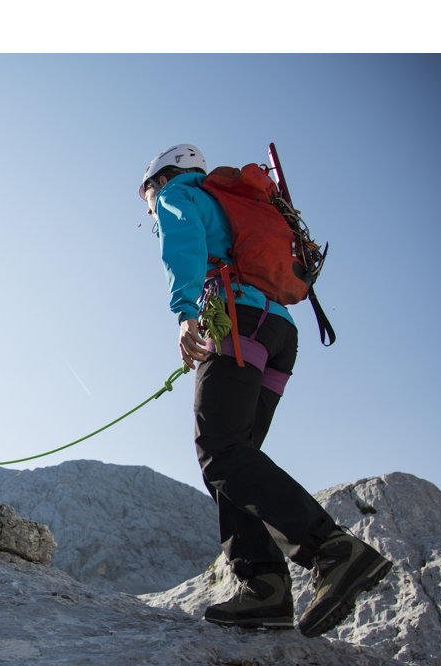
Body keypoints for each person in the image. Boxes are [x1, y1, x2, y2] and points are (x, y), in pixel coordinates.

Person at [139, 144, 391, 637]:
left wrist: (185, 312)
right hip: (278, 332)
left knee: (220, 451)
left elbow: (182, 243)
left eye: (144, 193)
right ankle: (264, 589)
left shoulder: (177, 195)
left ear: (159, 178)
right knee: (236, 458)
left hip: (236, 320)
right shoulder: (231, 202)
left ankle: (332, 551)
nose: (147, 205)